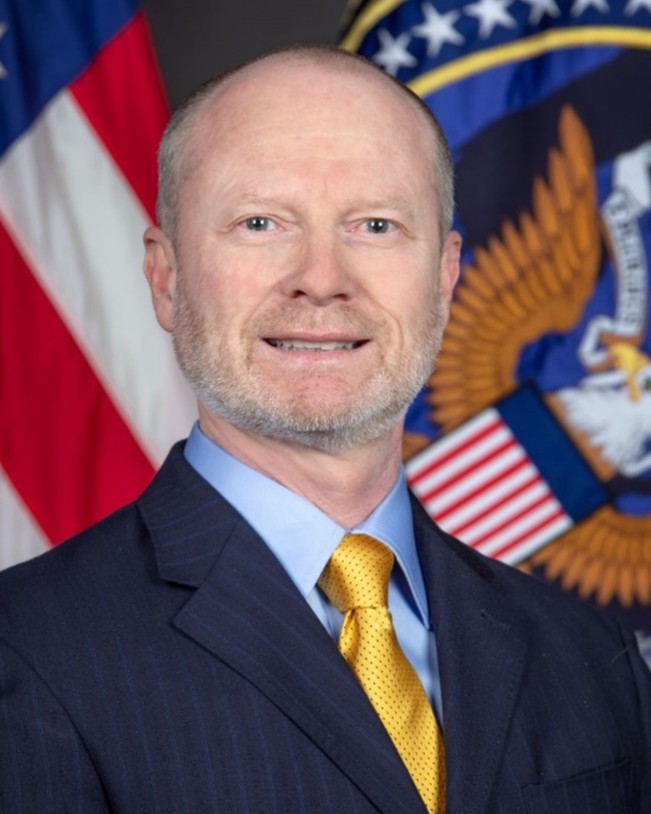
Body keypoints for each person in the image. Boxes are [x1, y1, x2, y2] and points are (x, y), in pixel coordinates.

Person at [0, 45, 649, 814]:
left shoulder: (590, 655)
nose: (320, 278)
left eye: (375, 224)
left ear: (444, 278)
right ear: (166, 277)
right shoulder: (26, 652)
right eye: (260, 222)